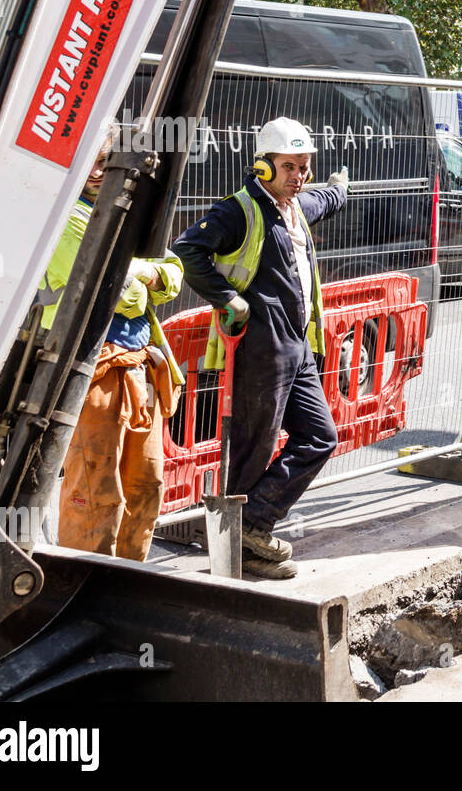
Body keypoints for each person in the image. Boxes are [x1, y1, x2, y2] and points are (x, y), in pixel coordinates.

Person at [173, 117, 348, 580]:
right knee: (254, 446)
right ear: (263, 166)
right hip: (260, 347)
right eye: (289, 166)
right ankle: (242, 545)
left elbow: (322, 199)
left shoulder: (294, 206)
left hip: (297, 344)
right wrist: (227, 298)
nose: (298, 175)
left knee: (319, 437)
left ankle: (251, 524)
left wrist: (338, 187)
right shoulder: (239, 210)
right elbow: (188, 249)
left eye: (304, 166)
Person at [41, 123, 185, 561]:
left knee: (147, 484)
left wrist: (143, 274)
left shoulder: (129, 214)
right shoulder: (65, 216)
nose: (101, 171)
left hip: (139, 366)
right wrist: (146, 276)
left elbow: (174, 272)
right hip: (94, 367)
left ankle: (127, 579)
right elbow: (124, 294)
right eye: (94, 162)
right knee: (96, 488)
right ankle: (83, 584)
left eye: (109, 161)